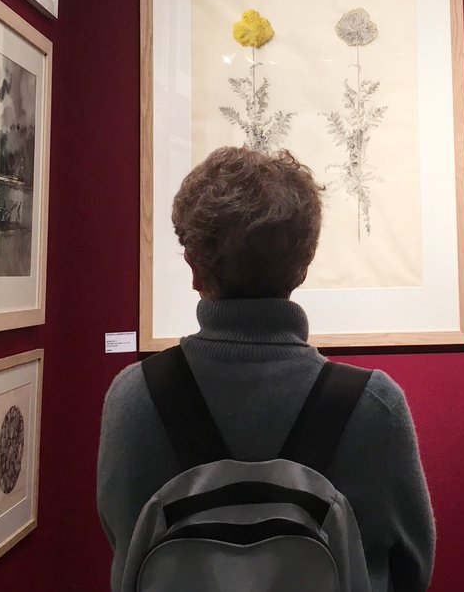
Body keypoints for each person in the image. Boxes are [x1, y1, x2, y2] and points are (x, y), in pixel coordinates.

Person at [98, 146, 436, 591]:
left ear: (193, 268)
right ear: (304, 265)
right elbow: (412, 568)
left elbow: (125, 548)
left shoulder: (133, 395)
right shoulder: (375, 404)